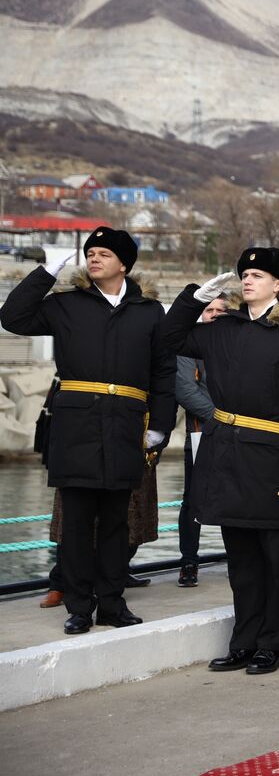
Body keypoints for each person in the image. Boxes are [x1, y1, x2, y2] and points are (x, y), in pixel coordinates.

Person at [1, 227, 174, 634]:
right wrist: (46, 271)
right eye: (90, 252)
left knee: (117, 523)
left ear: (124, 264)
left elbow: (163, 372)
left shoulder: (149, 312)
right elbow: (13, 316)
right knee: (77, 524)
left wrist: (160, 425)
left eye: (104, 254)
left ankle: (112, 604)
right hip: (76, 424)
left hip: (125, 425)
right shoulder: (66, 304)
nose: (94, 258)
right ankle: (79, 606)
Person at [162, 248, 279, 674]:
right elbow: (165, 340)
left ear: (278, 285)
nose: (247, 280)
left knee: (275, 557)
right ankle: (244, 640)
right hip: (226, 451)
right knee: (241, 559)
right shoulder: (222, 328)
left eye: (257, 275)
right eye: (244, 274)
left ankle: (272, 643)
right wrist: (194, 299)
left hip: (271, 455)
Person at [173, 294, 229, 587]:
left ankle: (239, 558)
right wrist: (221, 418)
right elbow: (184, 389)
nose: (215, 314)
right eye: (210, 309)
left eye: (221, 309)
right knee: (193, 501)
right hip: (202, 432)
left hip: (237, 436)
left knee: (236, 498)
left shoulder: (237, 343)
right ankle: (189, 563)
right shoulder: (188, 344)